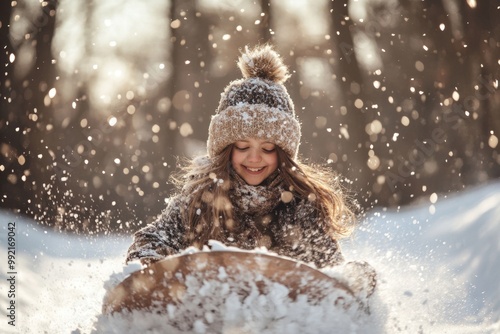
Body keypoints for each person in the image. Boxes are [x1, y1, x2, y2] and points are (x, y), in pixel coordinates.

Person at [126, 44, 376, 296]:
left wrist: (352, 281)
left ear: (283, 155)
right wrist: (148, 265)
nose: (254, 158)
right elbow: (154, 239)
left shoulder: (302, 207)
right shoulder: (199, 199)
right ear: (225, 150)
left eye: (267, 148)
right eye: (243, 146)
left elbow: (330, 269)